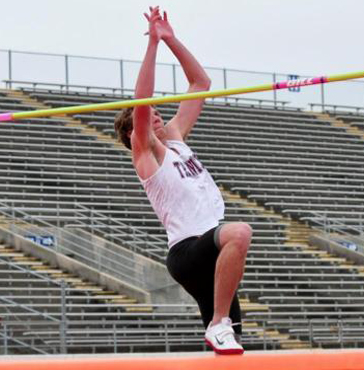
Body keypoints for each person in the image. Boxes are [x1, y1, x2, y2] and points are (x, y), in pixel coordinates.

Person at [113, 6, 251, 355]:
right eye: (148, 117)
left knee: (231, 343)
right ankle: (219, 324)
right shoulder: (146, 155)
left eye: (161, 112)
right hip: (188, 250)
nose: (157, 115)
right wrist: (153, 46)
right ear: (133, 135)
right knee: (240, 232)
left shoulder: (175, 139)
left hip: (209, 248)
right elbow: (142, 102)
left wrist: (171, 38)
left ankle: (220, 328)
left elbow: (200, 83)